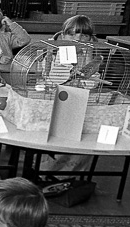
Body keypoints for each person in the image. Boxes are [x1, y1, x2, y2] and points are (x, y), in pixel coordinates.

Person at [39, 15, 98, 179]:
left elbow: (91, 84)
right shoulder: (52, 54)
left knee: (81, 137)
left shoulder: (90, 58)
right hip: (54, 104)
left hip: (79, 107)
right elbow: (55, 78)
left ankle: (68, 177)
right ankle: (44, 173)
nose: (77, 39)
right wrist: (64, 58)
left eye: (84, 35)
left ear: (90, 39)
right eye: (72, 34)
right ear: (62, 36)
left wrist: (88, 59)